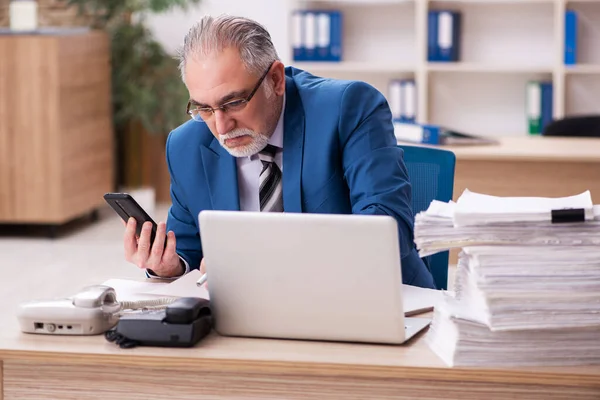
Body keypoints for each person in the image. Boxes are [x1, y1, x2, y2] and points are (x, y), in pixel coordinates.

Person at [123, 15, 436, 289]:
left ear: (275, 79)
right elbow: (188, 248)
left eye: (234, 102)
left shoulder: (349, 108)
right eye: (204, 108)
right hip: (252, 315)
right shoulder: (187, 146)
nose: (220, 126)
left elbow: (387, 230)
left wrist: (257, 264)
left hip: (375, 302)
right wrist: (168, 266)